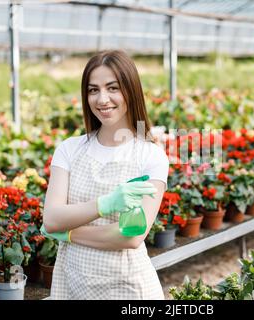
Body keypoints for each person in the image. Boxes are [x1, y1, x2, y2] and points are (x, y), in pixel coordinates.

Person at [41, 50, 169, 300]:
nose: (102, 99)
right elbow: (52, 218)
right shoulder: (69, 149)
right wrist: (105, 205)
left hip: (127, 288)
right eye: (93, 90)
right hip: (72, 284)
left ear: (130, 91)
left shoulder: (150, 156)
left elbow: (131, 236)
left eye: (113, 88)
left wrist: (69, 233)